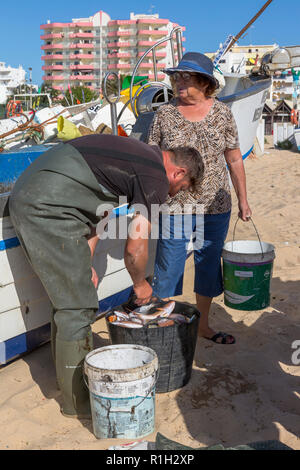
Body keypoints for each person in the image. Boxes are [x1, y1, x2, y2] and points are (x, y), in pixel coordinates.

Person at [8, 134, 201, 419]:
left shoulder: (138, 156)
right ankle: (79, 403)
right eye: (180, 188)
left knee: (70, 300)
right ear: (178, 172)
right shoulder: (156, 178)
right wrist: (140, 283)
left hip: (40, 195)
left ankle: (66, 379)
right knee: (78, 308)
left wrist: (86, 260)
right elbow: (135, 248)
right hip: (47, 207)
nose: (173, 195)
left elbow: (98, 211)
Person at [147, 52, 252, 345]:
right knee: (169, 265)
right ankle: (163, 327)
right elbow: (153, 160)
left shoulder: (222, 113)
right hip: (175, 205)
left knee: (208, 265)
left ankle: (203, 325)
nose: (179, 82)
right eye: (177, 76)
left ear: (205, 83)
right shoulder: (164, 114)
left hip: (215, 206)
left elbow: (233, 159)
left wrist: (244, 200)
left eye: (186, 77)